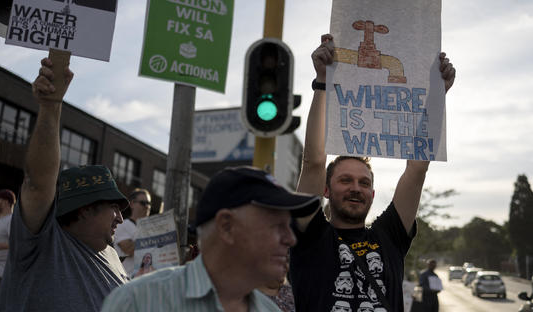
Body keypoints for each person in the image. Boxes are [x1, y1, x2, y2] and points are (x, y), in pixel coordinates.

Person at [289, 34, 456, 312]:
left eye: (364, 182)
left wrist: (437, 96)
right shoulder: (310, 237)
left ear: (372, 193)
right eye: (345, 180)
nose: (356, 187)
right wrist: (322, 82)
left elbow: (417, 168)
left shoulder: (389, 236)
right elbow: (314, 162)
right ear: (326, 190)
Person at [0, 57, 130, 312]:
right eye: (113, 207)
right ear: (84, 208)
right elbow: (38, 182)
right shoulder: (43, 241)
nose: (120, 219)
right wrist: (51, 106)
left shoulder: (111, 255)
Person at [101, 166, 321, 312]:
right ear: (226, 226)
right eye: (277, 226)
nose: (291, 239)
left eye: (289, 226)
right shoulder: (139, 301)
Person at [114, 188, 152, 277]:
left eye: (149, 203)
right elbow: (128, 249)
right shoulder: (123, 225)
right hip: (124, 280)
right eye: (143, 203)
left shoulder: (149, 229)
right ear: (132, 204)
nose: (147, 206)